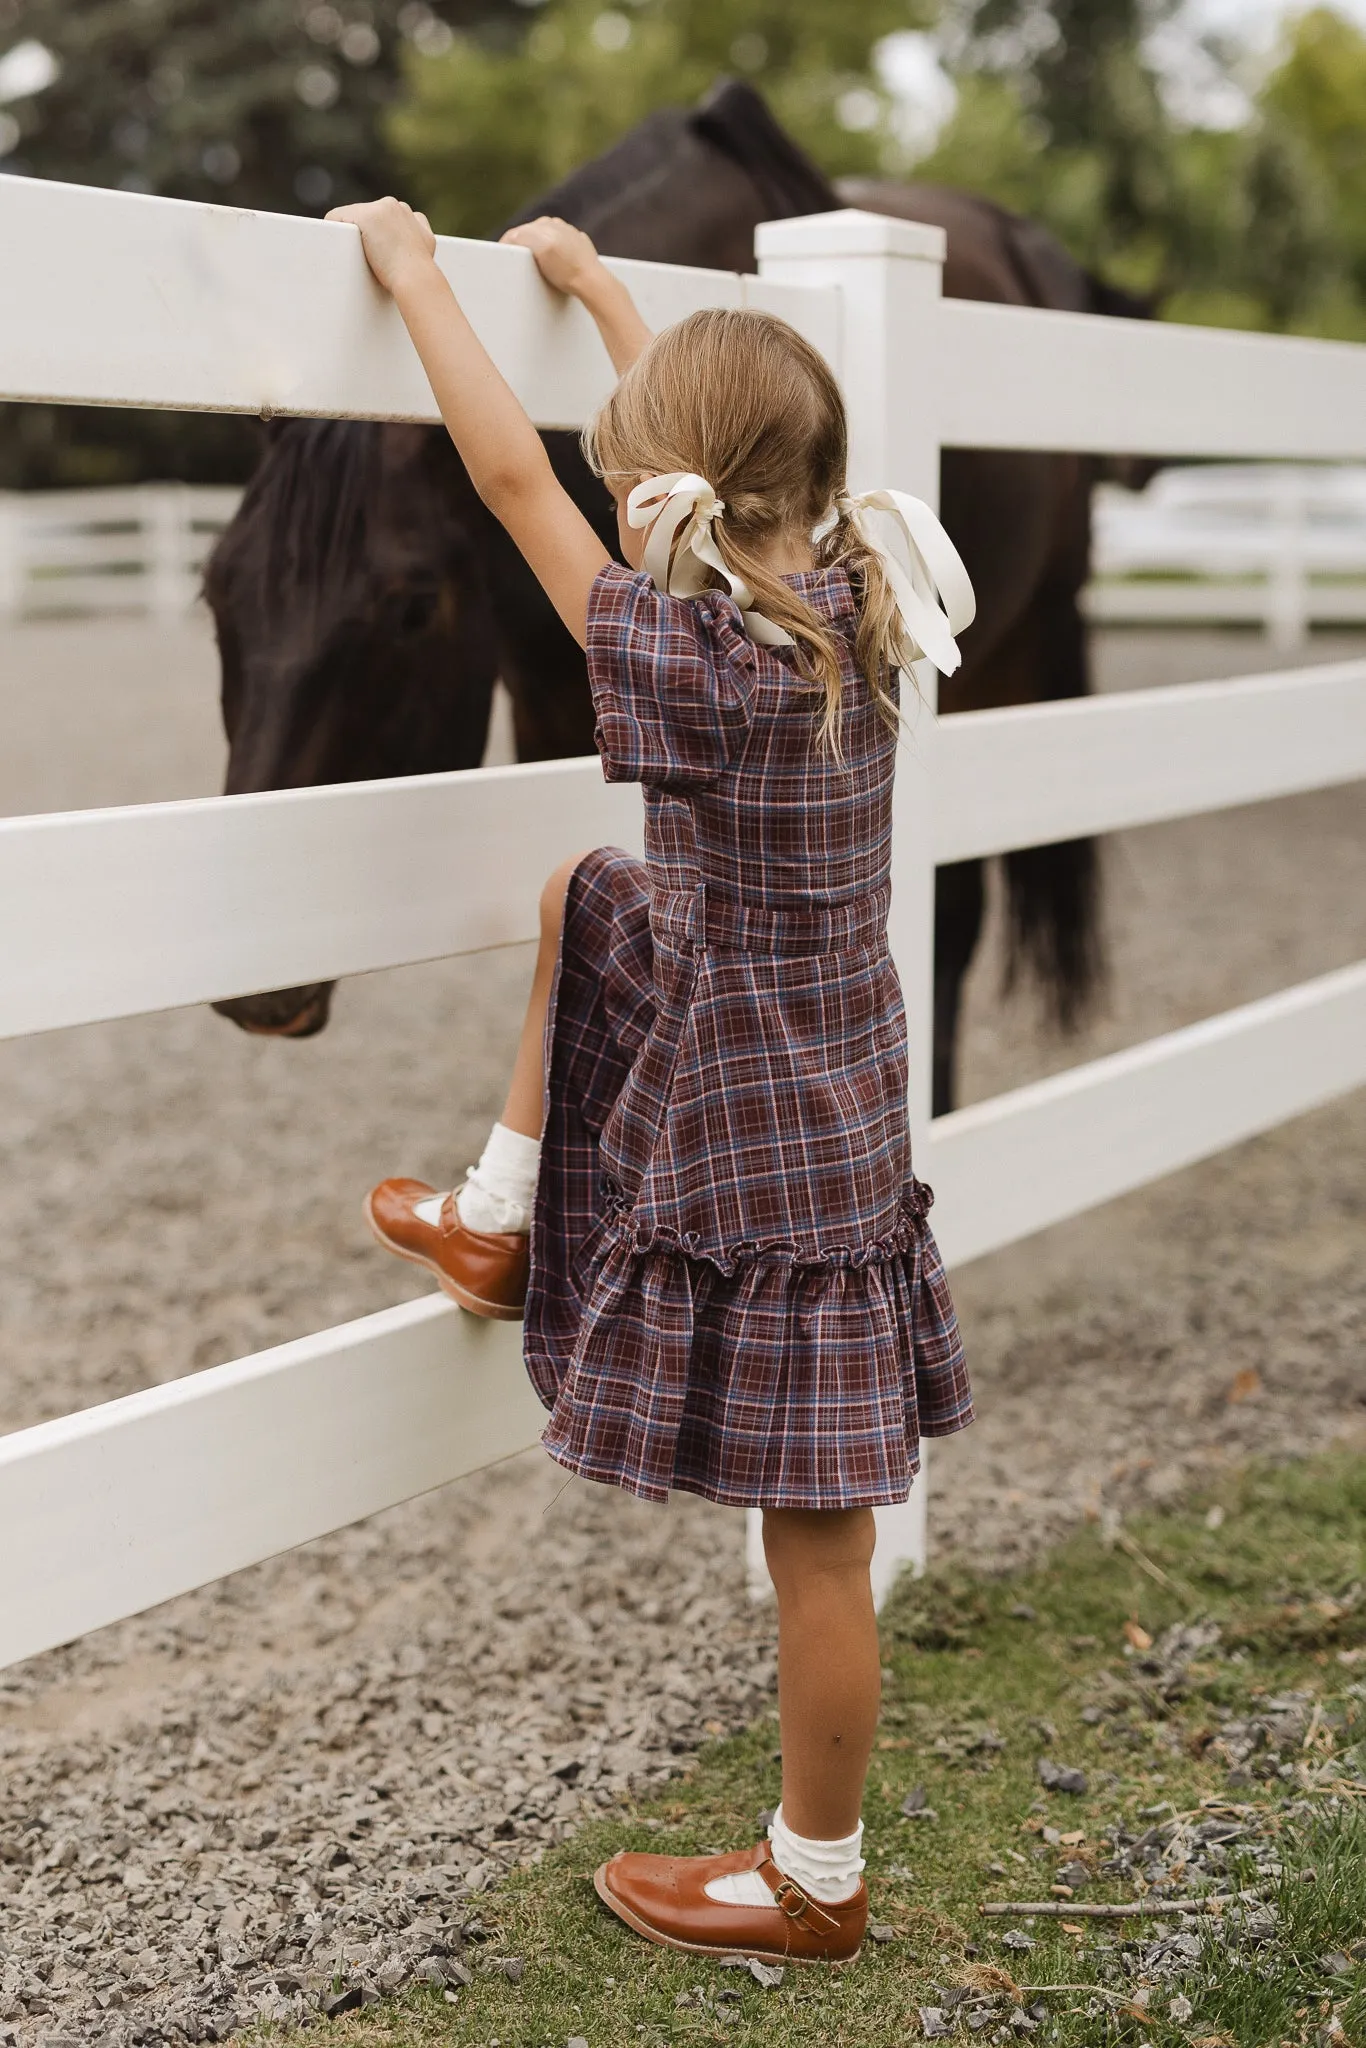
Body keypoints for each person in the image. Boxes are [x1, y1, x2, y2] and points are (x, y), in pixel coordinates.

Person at [332, 195, 976, 1965]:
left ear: (675, 491)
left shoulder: (690, 656)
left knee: (817, 1547)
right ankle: (498, 1209)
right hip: (838, 1087)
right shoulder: (861, 584)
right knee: (588, 885)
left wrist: (415, 285)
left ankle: (810, 1886)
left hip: (747, 1120)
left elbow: (519, 488)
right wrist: (610, 296)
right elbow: (709, 452)